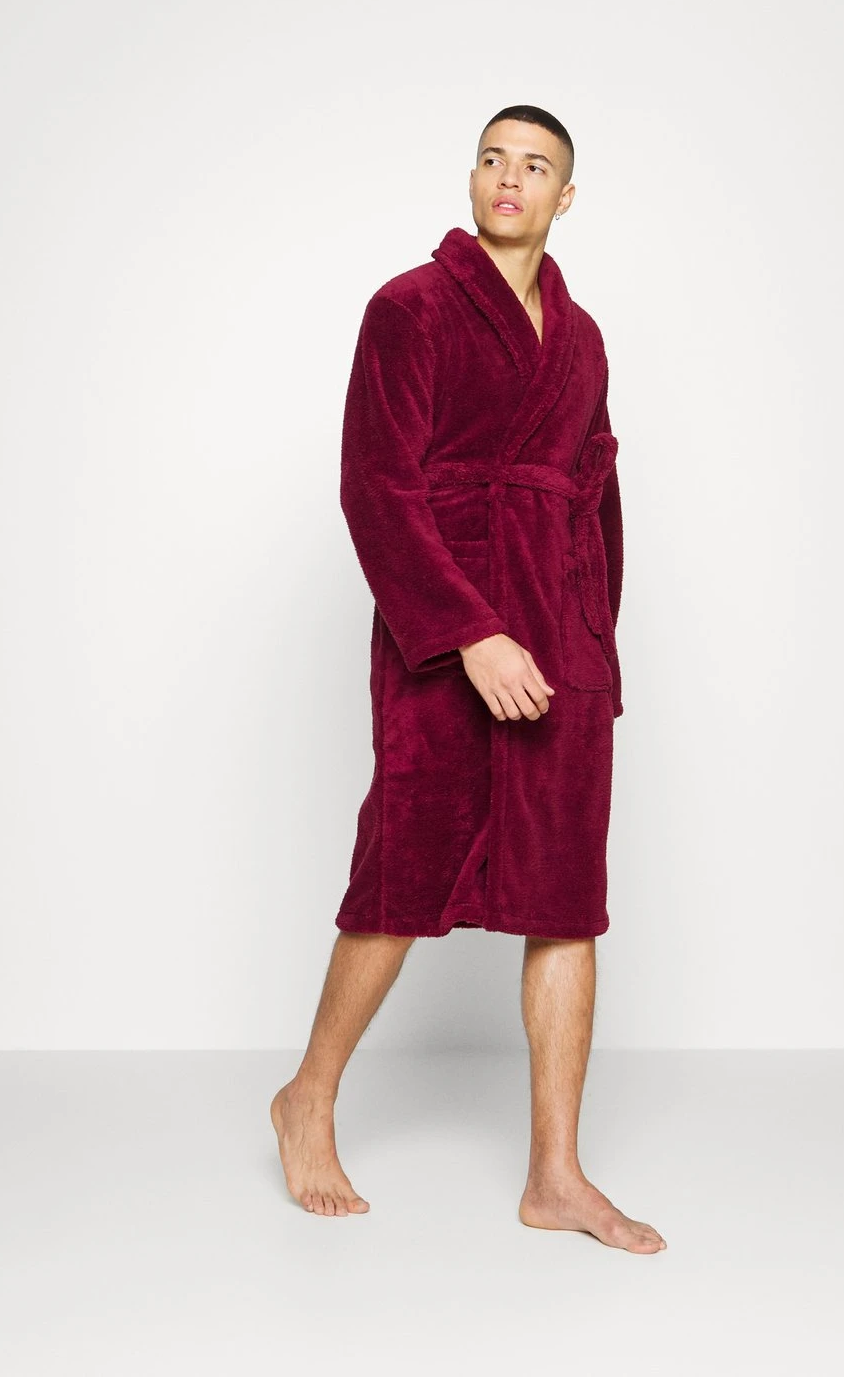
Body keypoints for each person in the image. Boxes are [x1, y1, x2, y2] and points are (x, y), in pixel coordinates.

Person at [270, 105, 666, 1255]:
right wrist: (467, 634)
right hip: (444, 637)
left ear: (563, 197)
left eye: (534, 165)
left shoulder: (581, 339)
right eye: (493, 158)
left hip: (562, 647)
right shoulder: (411, 309)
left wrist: (592, 647)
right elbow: (375, 486)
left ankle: (556, 1175)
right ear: (473, 177)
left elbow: (597, 495)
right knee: (404, 871)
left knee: (564, 902)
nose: (509, 177)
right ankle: (307, 1096)